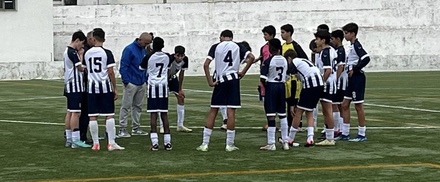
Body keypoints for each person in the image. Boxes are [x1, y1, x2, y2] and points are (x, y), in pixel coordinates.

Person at [196, 30, 255, 152]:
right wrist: (243, 72)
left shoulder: (216, 46)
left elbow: (206, 64)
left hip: (220, 80)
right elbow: (251, 58)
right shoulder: (238, 46)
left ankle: (205, 144)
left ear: (222, 37)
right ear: (232, 38)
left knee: (213, 110)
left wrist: (210, 81)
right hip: (233, 80)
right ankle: (230, 144)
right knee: (231, 111)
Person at [85, 28, 125, 151]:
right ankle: (111, 143)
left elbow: (86, 70)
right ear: (104, 39)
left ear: (93, 38)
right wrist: (115, 88)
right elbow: (111, 72)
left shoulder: (87, 53)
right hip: (105, 87)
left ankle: (96, 143)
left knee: (92, 116)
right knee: (109, 115)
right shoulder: (106, 53)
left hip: (91, 88)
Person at [284, 49, 324, 147]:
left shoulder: (293, 62)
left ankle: (290, 139)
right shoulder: (304, 60)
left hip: (310, 84)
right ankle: (310, 138)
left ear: (289, 58)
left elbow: (289, 76)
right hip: (320, 84)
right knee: (309, 111)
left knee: (299, 112)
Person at [139, 37, 173, 151]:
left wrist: (149, 53)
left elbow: (141, 67)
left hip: (153, 87)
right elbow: (168, 67)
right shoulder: (167, 56)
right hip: (163, 87)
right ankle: (168, 143)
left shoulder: (148, 57)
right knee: (164, 114)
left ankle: (155, 143)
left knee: (153, 115)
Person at [117, 32, 152, 138]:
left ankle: (136, 127)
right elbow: (124, 65)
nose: (146, 45)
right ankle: (122, 128)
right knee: (126, 106)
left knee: (138, 106)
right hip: (131, 82)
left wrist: (145, 79)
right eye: (145, 43)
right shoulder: (129, 49)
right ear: (140, 40)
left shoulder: (144, 50)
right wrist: (126, 80)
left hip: (141, 81)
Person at [340, 22, 371, 142]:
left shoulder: (357, 45)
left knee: (358, 105)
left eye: (346, 33)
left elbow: (366, 58)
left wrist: (355, 69)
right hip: (350, 79)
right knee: (344, 104)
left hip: (357, 78)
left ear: (353, 33)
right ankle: (345, 132)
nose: (345, 35)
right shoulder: (352, 45)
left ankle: (362, 133)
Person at [259, 38, 289, 151]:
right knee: (282, 114)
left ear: (271, 48)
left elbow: (263, 78)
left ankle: (271, 143)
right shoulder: (285, 60)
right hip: (281, 86)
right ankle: (285, 141)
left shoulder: (268, 61)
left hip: (272, 86)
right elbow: (287, 75)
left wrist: (267, 88)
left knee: (271, 115)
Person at [63, 30, 91, 148]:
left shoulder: (67, 51)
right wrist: (83, 59)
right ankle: (75, 139)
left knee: (70, 111)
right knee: (75, 112)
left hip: (70, 85)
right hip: (75, 85)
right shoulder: (72, 52)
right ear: (77, 40)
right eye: (81, 43)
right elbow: (80, 68)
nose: (82, 46)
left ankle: (69, 138)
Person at [280, 24, 308, 132]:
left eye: (283, 32)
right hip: (286, 77)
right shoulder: (282, 46)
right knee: (288, 100)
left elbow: (304, 58)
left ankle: (297, 124)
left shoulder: (295, 46)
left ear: (289, 33)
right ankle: (289, 123)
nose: (282, 34)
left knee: (295, 100)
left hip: (295, 78)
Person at [313, 30, 337, 146]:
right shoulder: (331, 50)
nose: (315, 41)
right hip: (330, 82)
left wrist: (321, 82)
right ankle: (329, 136)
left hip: (327, 84)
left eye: (317, 39)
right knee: (327, 110)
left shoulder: (326, 52)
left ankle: (330, 138)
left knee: (327, 110)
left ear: (323, 40)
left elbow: (328, 70)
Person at [167, 45, 192, 132]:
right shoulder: (169, 59)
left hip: (173, 78)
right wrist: (166, 84)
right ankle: (163, 125)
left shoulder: (185, 60)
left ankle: (180, 125)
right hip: (165, 79)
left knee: (181, 98)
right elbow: (167, 72)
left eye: (182, 56)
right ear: (174, 54)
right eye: (178, 56)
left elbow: (181, 74)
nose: (180, 58)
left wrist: (180, 88)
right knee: (163, 100)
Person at [330, 30, 347, 138]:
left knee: (337, 104)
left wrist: (335, 79)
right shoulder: (337, 50)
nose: (332, 41)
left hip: (340, 81)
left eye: (333, 39)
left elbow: (341, 66)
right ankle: (339, 128)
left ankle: (338, 128)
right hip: (339, 81)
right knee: (337, 104)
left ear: (338, 39)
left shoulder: (341, 50)